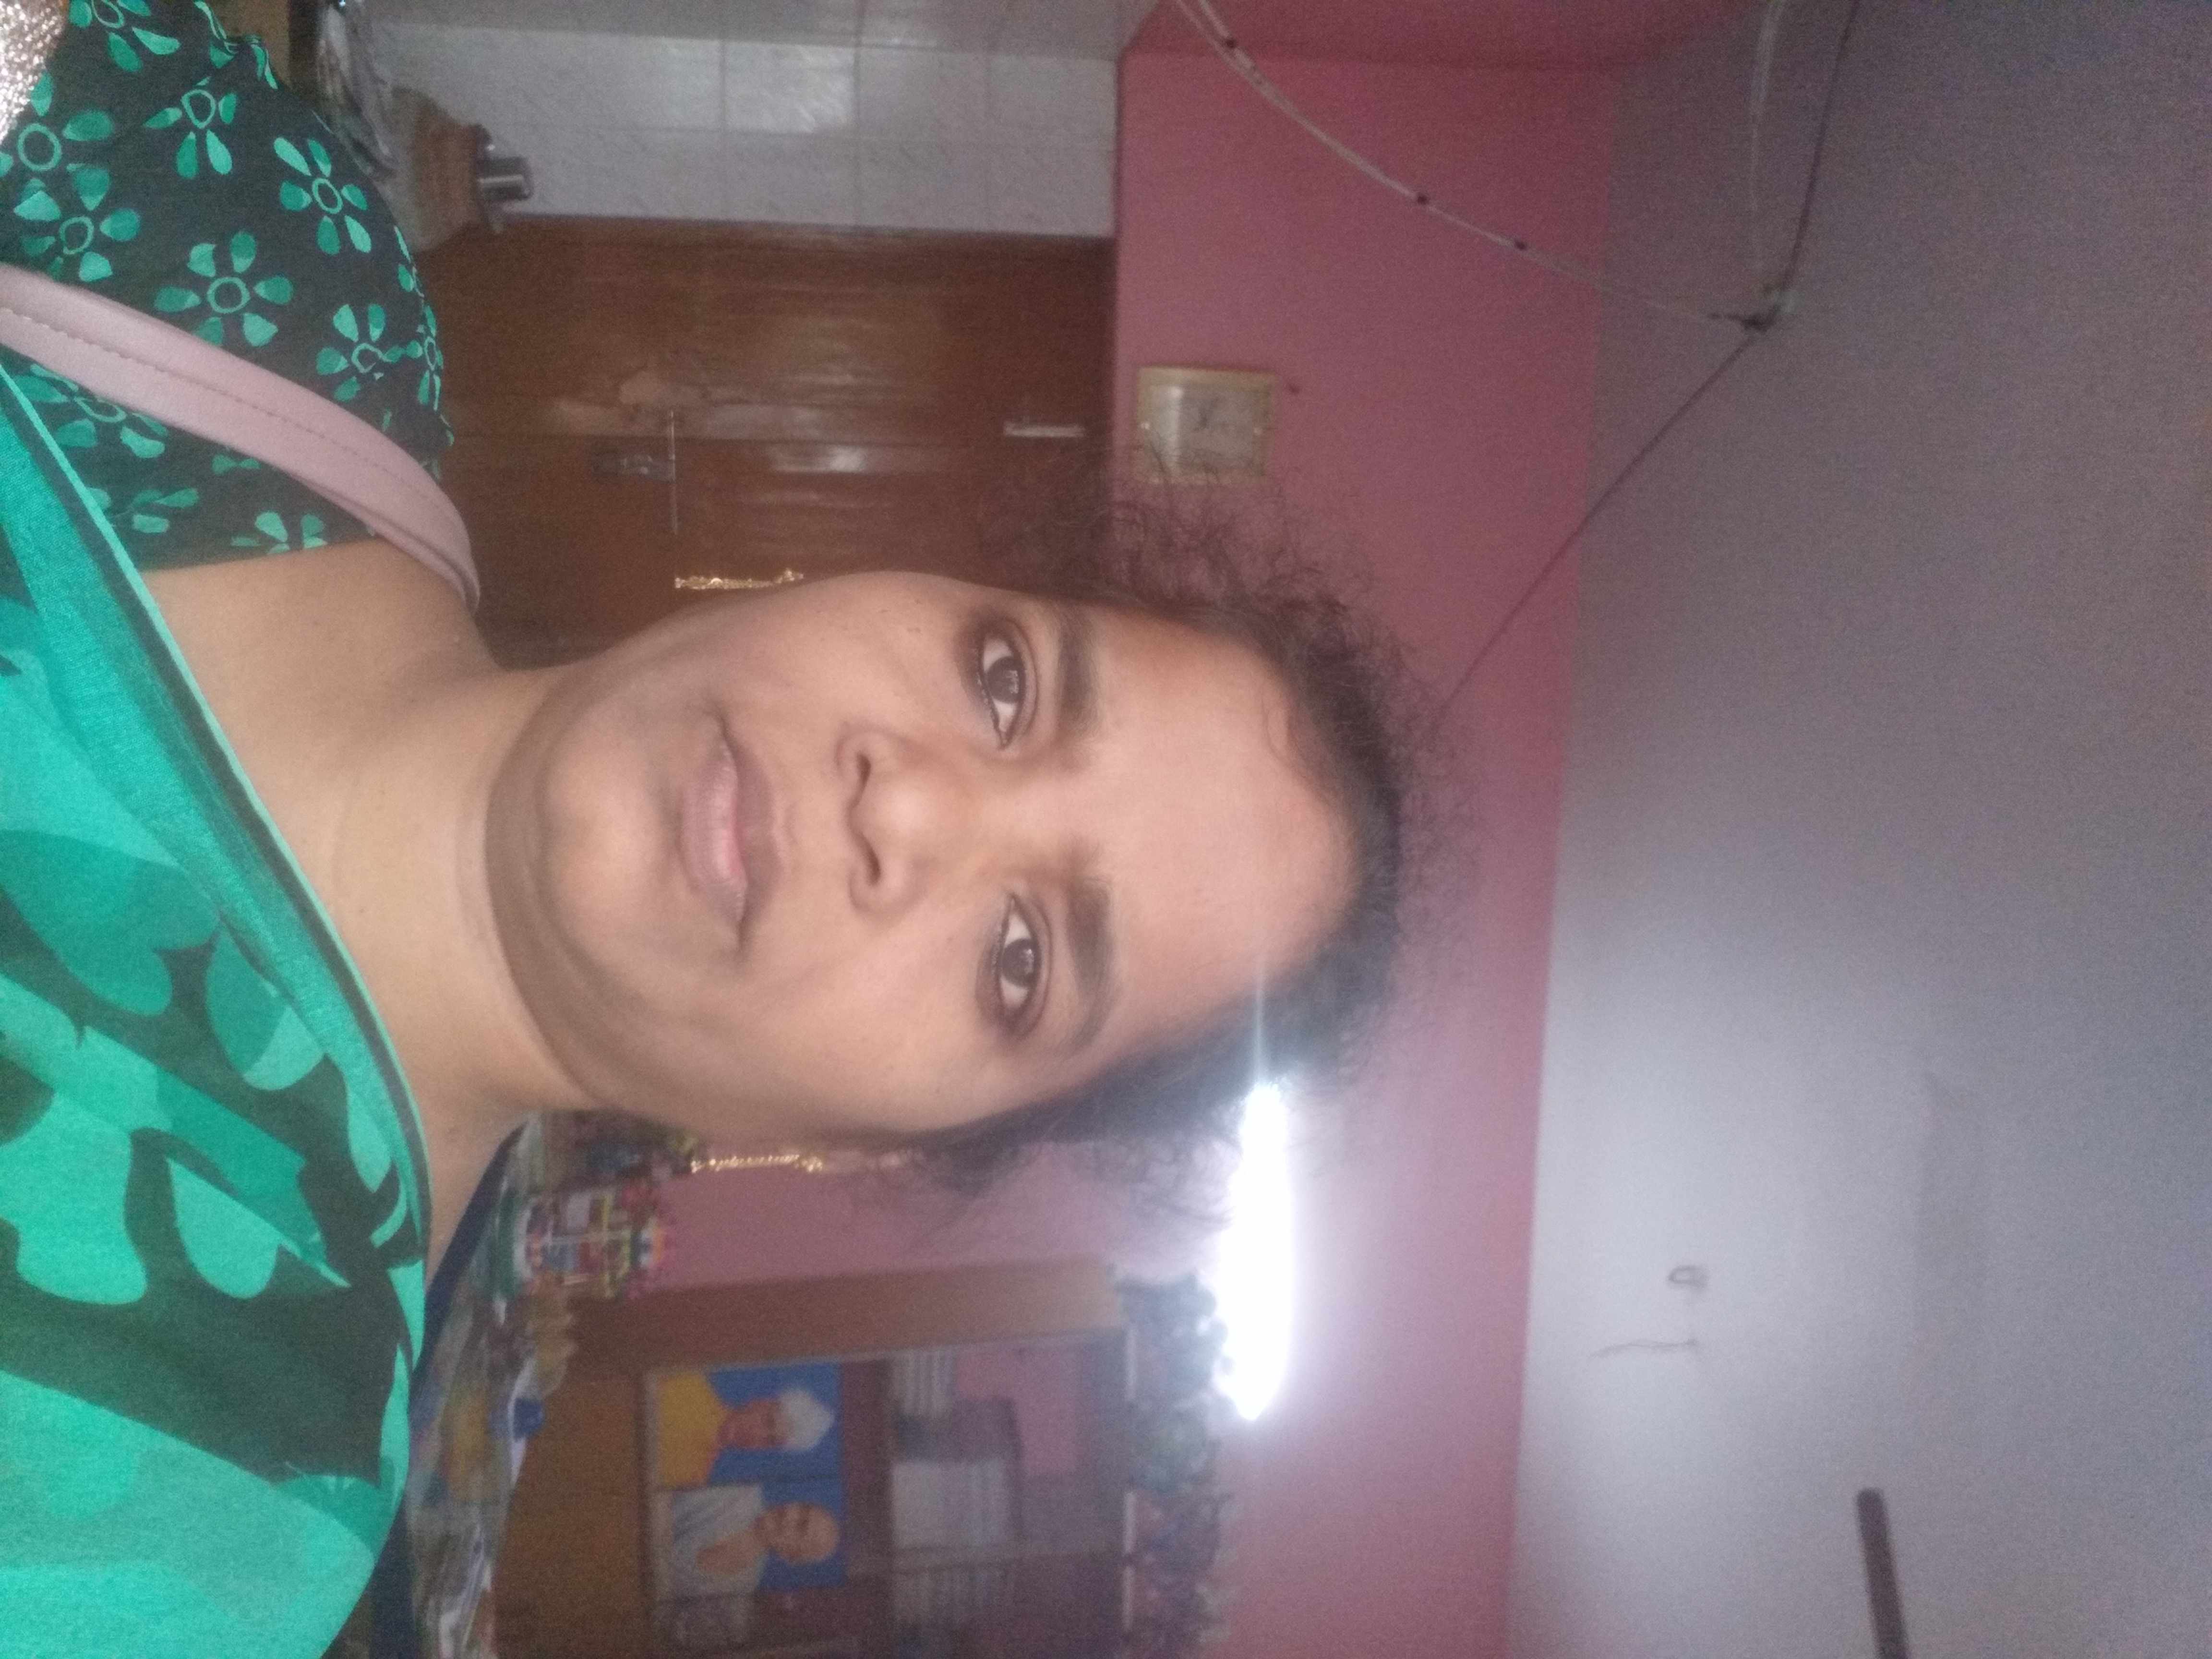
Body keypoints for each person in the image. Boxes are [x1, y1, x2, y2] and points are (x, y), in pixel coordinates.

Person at [0, 3, 1409, 1655]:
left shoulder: (196, 1499)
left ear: (877, 1144)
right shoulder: (259, 262)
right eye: (1005, 679)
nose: (912, 801)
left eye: (1021, 958)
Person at [661, 1487, 842, 1600]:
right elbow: (662, 1490)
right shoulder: (738, 1492)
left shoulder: (741, 1592)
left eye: (801, 1526)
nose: (791, 1513)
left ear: (791, 1556)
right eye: (803, 1508)